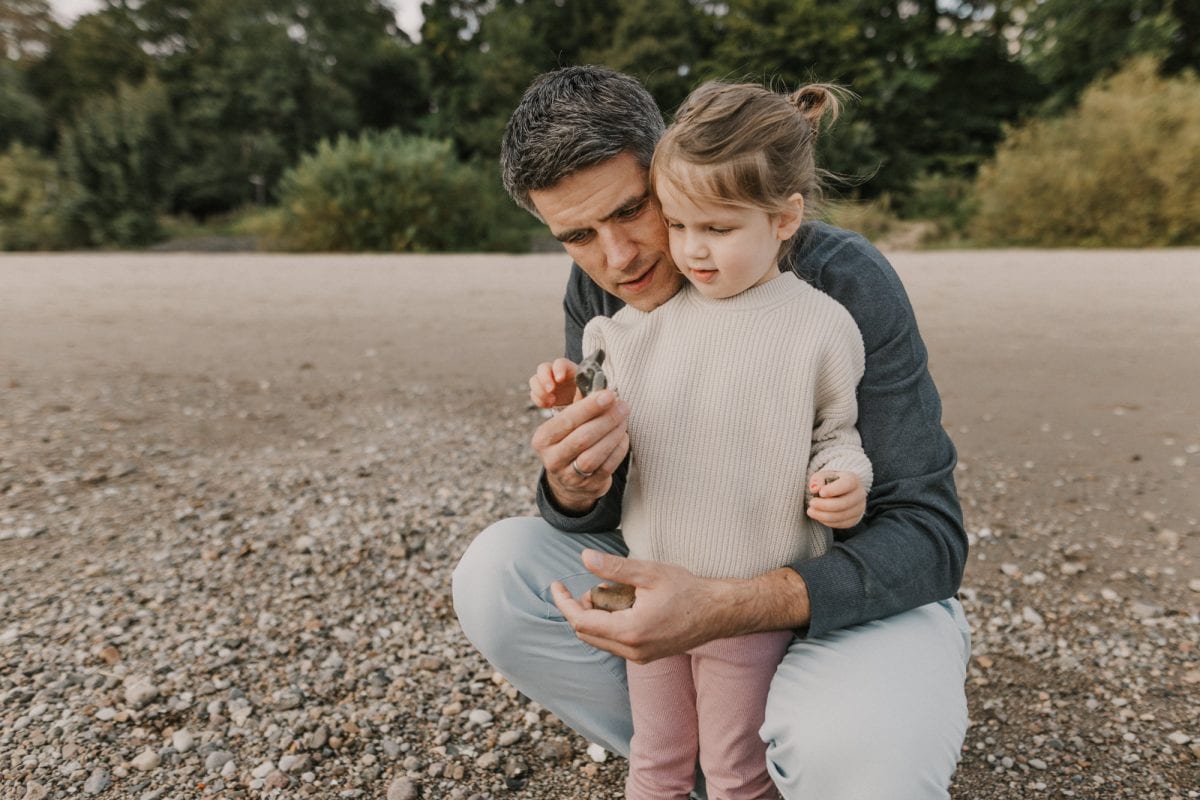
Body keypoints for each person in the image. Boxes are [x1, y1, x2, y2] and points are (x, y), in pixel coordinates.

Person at [453, 65, 972, 800]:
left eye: (636, 211)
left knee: (863, 763)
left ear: (670, 166)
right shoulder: (602, 287)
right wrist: (575, 486)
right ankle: (701, 774)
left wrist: (729, 604)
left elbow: (930, 537)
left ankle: (795, 749)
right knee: (495, 573)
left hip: (844, 596)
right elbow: (610, 507)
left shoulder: (839, 284)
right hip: (678, 560)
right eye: (577, 235)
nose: (619, 258)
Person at [534, 80, 874, 799]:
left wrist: (847, 480)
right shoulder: (633, 321)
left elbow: (838, 433)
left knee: (735, 768)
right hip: (645, 588)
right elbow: (601, 414)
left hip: (748, 594)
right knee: (655, 761)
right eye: (682, 226)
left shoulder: (821, 323)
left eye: (713, 230)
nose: (689, 251)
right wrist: (567, 407)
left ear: (785, 220)